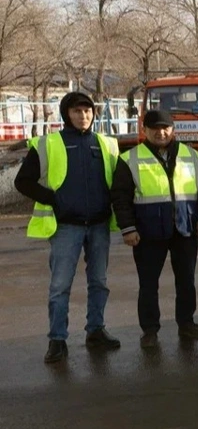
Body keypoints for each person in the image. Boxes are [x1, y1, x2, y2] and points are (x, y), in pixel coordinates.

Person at [15, 91, 122, 363]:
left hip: (98, 225)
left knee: (99, 282)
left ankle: (95, 330)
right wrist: (55, 200)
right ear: (66, 114)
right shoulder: (49, 143)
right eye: (77, 111)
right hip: (66, 227)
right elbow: (23, 181)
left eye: (87, 111)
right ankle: (57, 340)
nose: (83, 116)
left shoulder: (107, 144)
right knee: (60, 286)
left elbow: (118, 183)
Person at [111, 110, 198, 348]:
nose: (160, 132)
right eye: (154, 128)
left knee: (186, 280)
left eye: (165, 127)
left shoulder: (192, 155)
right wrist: (128, 228)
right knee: (148, 284)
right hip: (147, 231)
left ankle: (187, 323)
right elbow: (120, 197)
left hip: (184, 227)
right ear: (144, 130)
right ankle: (150, 330)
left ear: (173, 129)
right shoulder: (129, 159)